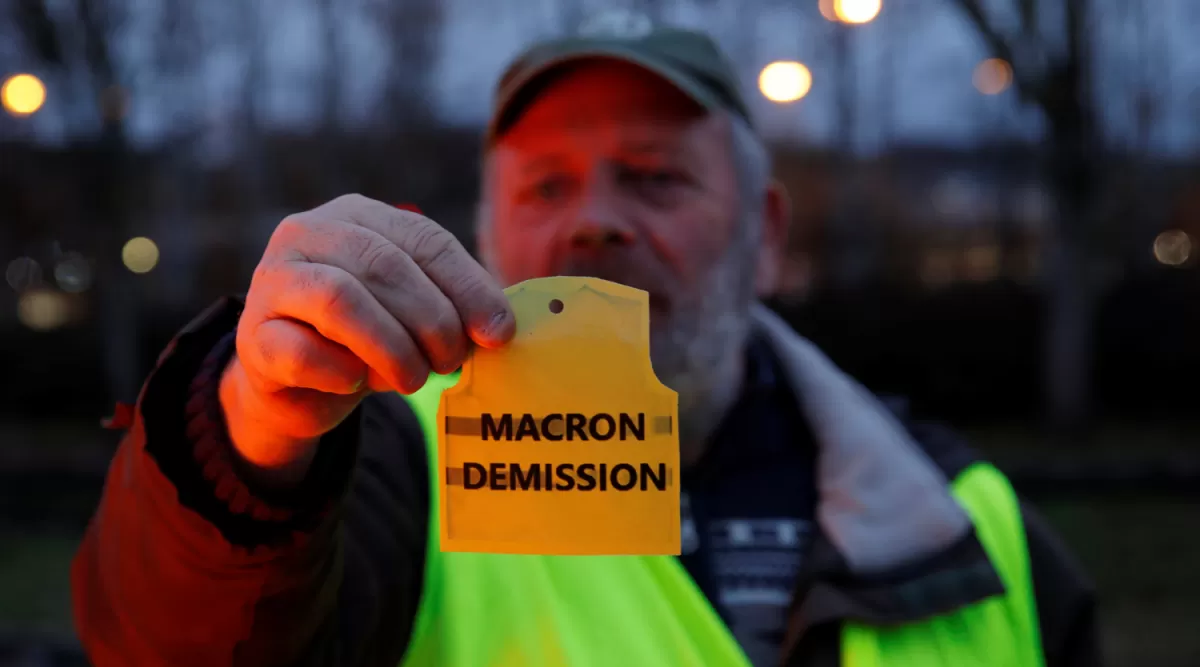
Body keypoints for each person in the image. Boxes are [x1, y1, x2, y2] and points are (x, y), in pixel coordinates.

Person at [71, 17, 1099, 667]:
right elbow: (169, 645)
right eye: (544, 185)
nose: (593, 222)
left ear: (767, 234)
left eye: (655, 176)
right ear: (485, 236)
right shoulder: (387, 463)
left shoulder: (970, 518)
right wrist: (248, 441)